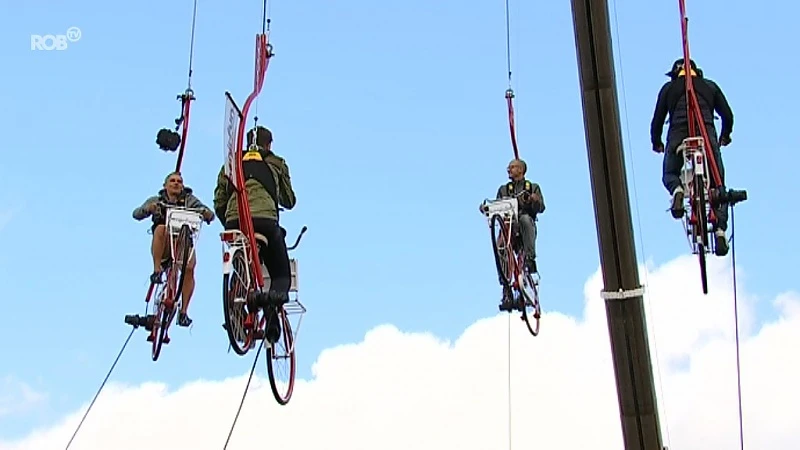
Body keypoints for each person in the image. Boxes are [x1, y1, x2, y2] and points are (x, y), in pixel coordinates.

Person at [214, 125, 296, 342]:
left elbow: (219, 201)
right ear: (269, 144)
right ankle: (272, 310)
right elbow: (289, 200)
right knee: (280, 274)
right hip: (265, 221)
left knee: (241, 269)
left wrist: (230, 222)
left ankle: (235, 314)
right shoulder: (277, 163)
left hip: (235, 220)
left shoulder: (231, 163)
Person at [650, 58, 734, 256]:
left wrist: (657, 143)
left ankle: (678, 190)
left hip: (678, 135)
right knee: (717, 185)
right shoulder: (710, 86)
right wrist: (725, 135)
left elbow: (657, 121)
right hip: (707, 136)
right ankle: (720, 231)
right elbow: (728, 115)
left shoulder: (668, 89)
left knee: (669, 173)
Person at [131, 171, 215, 327]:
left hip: (182, 242)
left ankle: (184, 311)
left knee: (190, 268)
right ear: (165, 185)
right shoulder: (156, 200)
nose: (176, 183)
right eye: (172, 181)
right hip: (164, 244)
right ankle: (157, 271)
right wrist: (149, 209)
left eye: (179, 181)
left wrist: (207, 214)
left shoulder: (189, 200)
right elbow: (136, 214)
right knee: (161, 228)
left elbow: (206, 210)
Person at [486, 158, 545, 308]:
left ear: (521, 170)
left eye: (512, 167)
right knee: (500, 245)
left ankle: (530, 260)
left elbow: (541, 208)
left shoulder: (532, 187)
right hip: (509, 226)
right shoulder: (503, 190)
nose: (509, 169)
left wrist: (534, 200)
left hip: (525, 227)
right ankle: (505, 285)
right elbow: (496, 207)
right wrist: (486, 209)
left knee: (525, 219)